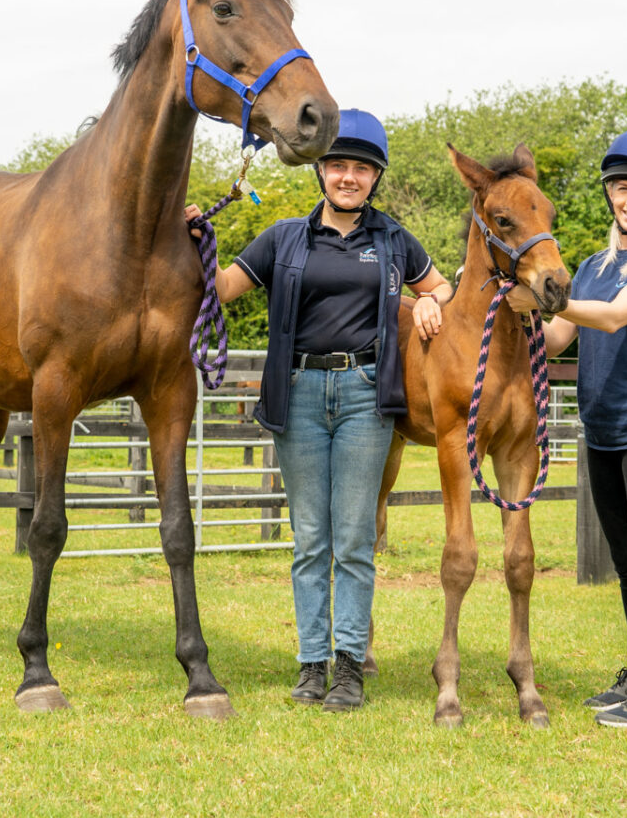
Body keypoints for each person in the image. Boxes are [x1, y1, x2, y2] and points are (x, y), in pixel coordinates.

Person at [185, 108, 452, 711]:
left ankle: (349, 665)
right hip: (300, 393)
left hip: (365, 396)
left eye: (361, 168)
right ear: (322, 172)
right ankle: (311, 665)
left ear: (375, 178)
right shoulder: (283, 237)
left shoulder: (393, 239)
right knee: (310, 539)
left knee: (354, 539)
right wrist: (199, 240)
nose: (348, 177)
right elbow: (223, 287)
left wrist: (434, 299)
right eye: (338, 166)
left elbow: (441, 286)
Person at [506, 126, 627, 729]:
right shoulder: (589, 266)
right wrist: (501, 312)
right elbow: (560, 337)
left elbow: (611, 319)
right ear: (610, 193)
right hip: (605, 433)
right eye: (622, 188)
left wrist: (541, 300)